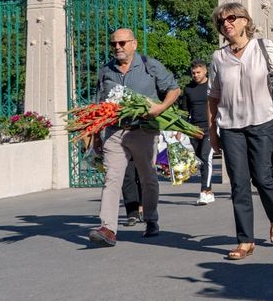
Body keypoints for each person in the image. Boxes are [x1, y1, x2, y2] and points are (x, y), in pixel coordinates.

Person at [206, 2, 273, 260]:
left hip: (264, 122)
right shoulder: (218, 57)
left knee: (263, 177)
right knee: (238, 184)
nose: (226, 23)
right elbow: (213, 97)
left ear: (245, 21)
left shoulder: (264, 47)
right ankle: (245, 240)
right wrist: (213, 132)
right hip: (231, 127)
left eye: (232, 18)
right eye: (221, 21)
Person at [88, 29, 180, 247]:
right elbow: (98, 105)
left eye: (122, 43)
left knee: (148, 177)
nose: (117, 47)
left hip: (144, 131)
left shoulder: (150, 65)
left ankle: (151, 219)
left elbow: (174, 89)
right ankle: (108, 228)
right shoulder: (106, 71)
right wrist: (96, 136)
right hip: (114, 131)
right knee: (112, 177)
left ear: (134, 44)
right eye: (113, 44)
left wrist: (160, 108)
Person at [180, 60, 215, 206]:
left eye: (198, 72)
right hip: (194, 130)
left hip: (210, 128)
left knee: (206, 158)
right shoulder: (188, 89)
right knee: (200, 161)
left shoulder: (212, 86)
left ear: (205, 71)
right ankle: (210, 192)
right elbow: (184, 110)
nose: (195, 75)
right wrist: (181, 129)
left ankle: (204, 191)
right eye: (193, 73)